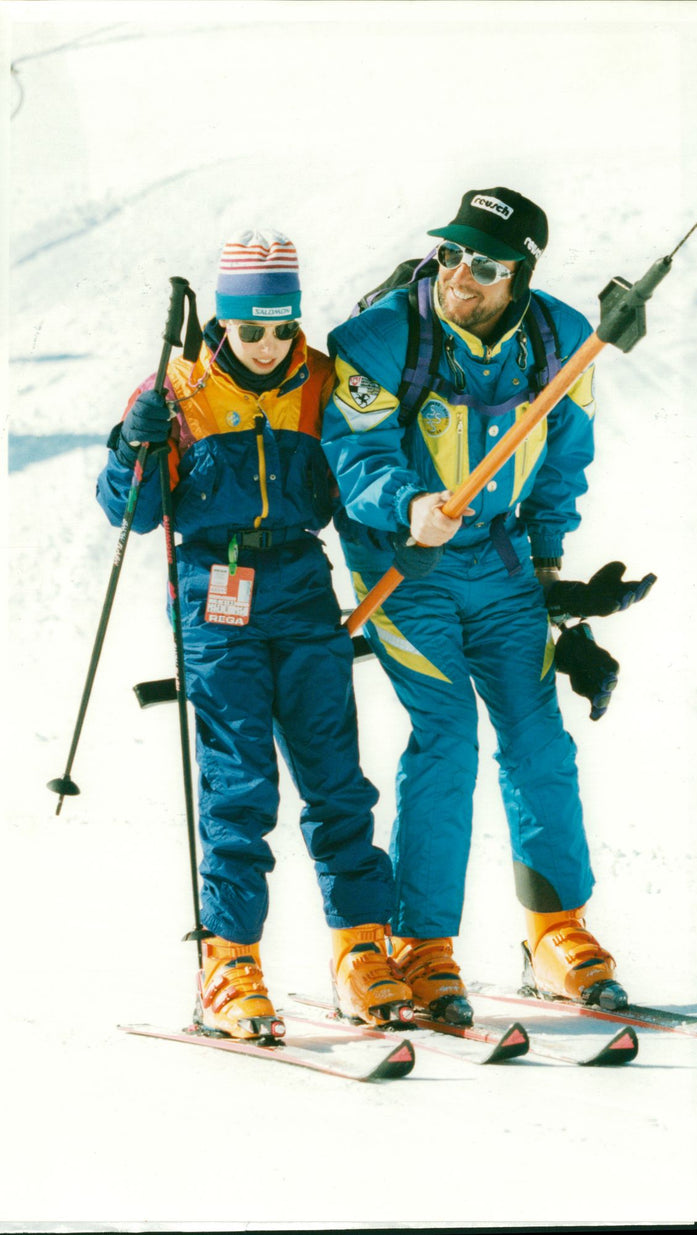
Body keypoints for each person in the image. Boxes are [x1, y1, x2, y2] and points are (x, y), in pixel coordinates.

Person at [322, 187, 654, 1025]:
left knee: (537, 734)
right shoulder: (378, 339)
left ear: (521, 273)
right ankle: (422, 945)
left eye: (485, 263)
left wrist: (548, 563)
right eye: (451, 254)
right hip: (404, 561)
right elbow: (352, 456)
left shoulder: (562, 340)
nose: (461, 274)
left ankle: (554, 930)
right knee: (446, 736)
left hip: (500, 560)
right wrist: (409, 504)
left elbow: (564, 458)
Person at [96, 228, 415, 1038]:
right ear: (224, 322)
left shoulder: (320, 380)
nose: (271, 345)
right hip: (216, 595)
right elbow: (130, 513)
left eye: (283, 327)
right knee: (240, 787)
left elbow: (359, 474)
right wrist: (135, 444)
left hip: (303, 587)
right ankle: (230, 962)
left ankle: (359, 947)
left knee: (336, 778)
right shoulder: (179, 391)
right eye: (253, 329)